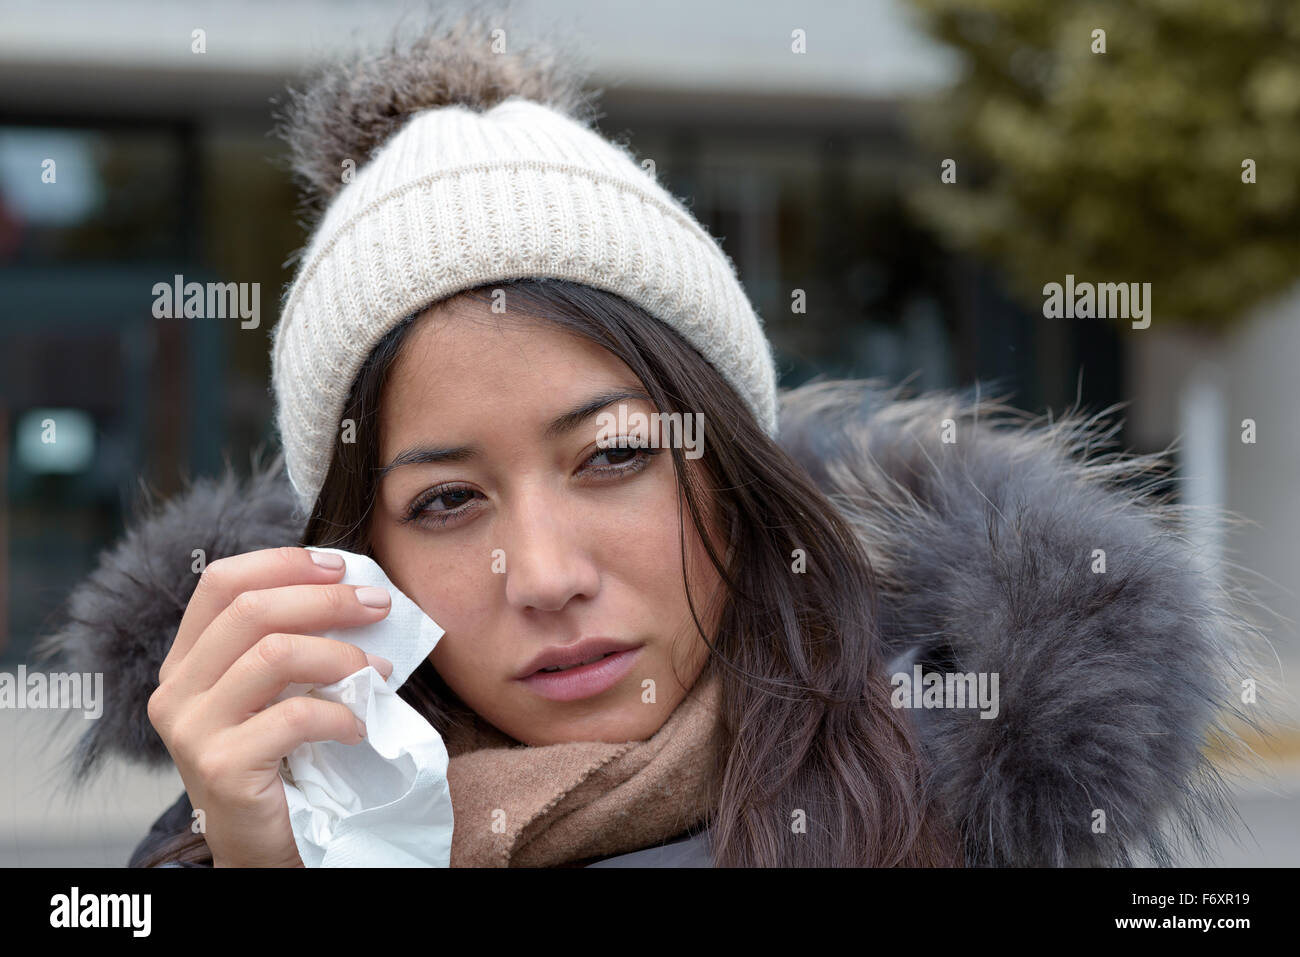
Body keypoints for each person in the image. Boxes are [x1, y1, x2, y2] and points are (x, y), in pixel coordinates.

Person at [36, 8, 1270, 868]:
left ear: (731, 474)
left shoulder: (972, 807)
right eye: (447, 502)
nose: (553, 574)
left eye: (614, 456)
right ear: (361, 566)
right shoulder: (244, 831)